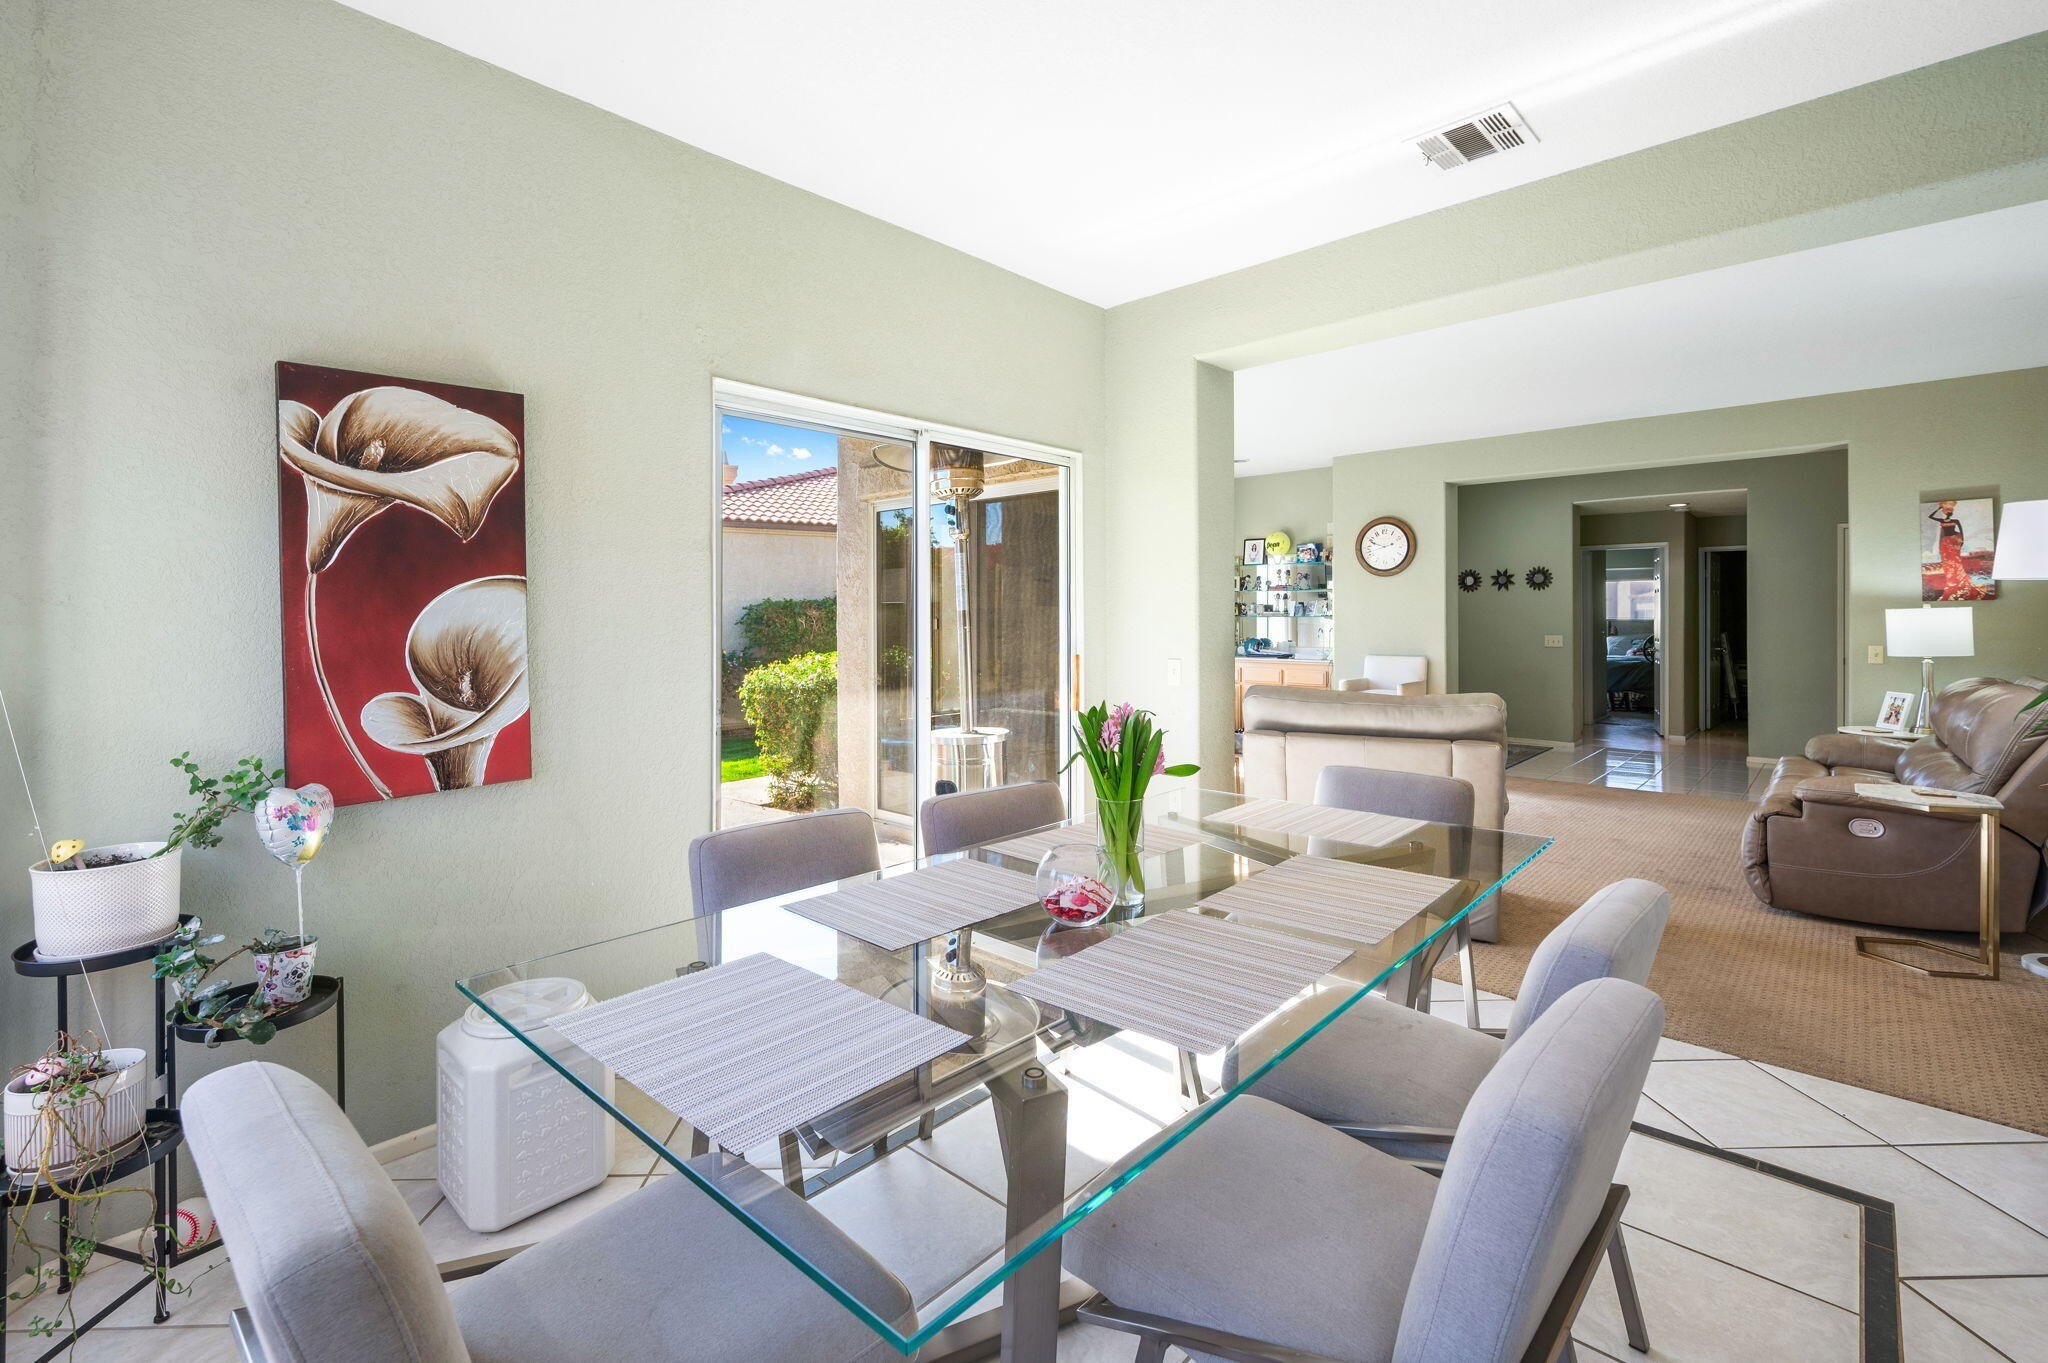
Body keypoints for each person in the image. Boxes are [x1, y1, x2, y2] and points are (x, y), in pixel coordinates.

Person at [1928, 499, 1987, 600]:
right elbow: (1930, 516)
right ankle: (1951, 582)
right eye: (1947, 511)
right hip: (1946, 543)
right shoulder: (1942, 521)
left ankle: (1959, 582)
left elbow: (1961, 531)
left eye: (1950, 512)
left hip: (1954, 541)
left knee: (1955, 561)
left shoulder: (1955, 521)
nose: (1949, 513)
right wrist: (1938, 508)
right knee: (1947, 562)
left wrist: (1962, 540)